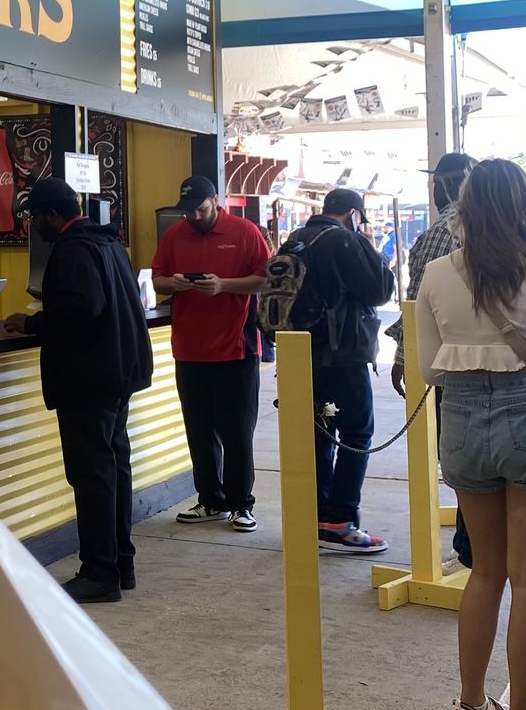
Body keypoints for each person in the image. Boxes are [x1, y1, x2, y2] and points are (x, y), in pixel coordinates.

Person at [415, 159, 526, 710]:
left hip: (460, 418)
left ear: (466, 208)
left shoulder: (437, 273)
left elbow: (428, 368)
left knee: (484, 574)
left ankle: (470, 700)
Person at [3, 177, 154, 604]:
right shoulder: (109, 243)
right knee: (114, 470)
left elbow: (81, 308)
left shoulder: (72, 249)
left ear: (53, 215)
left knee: (92, 477)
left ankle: (99, 574)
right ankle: (121, 564)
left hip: (89, 379)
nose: (34, 226)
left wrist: (31, 322)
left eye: (35, 217)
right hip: (119, 374)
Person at [151, 175, 270, 531]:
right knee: (199, 432)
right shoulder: (174, 235)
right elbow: (156, 279)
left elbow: (265, 278)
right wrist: (173, 283)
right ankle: (210, 500)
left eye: (201, 210)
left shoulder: (245, 232)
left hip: (237, 349)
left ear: (215, 201)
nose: (194, 218)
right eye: (188, 212)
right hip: (189, 349)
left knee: (237, 433)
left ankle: (241, 504)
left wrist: (224, 286)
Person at [282, 187, 396, 553]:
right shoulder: (345, 241)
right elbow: (380, 290)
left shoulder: (296, 239)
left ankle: (317, 517)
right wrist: (370, 244)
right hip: (342, 357)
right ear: (353, 213)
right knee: (356, 434)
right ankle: (341, 521)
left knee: (318, 433)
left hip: (301, 358)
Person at [393, 152, 478, 569]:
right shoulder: (516, 233)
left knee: (463, 465)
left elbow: (417, 306)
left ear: (445, 185)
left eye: (437, 182)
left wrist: (402, 355)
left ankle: (469, 551)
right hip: (513, 369)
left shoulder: (440, 235)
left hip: (452, 367)